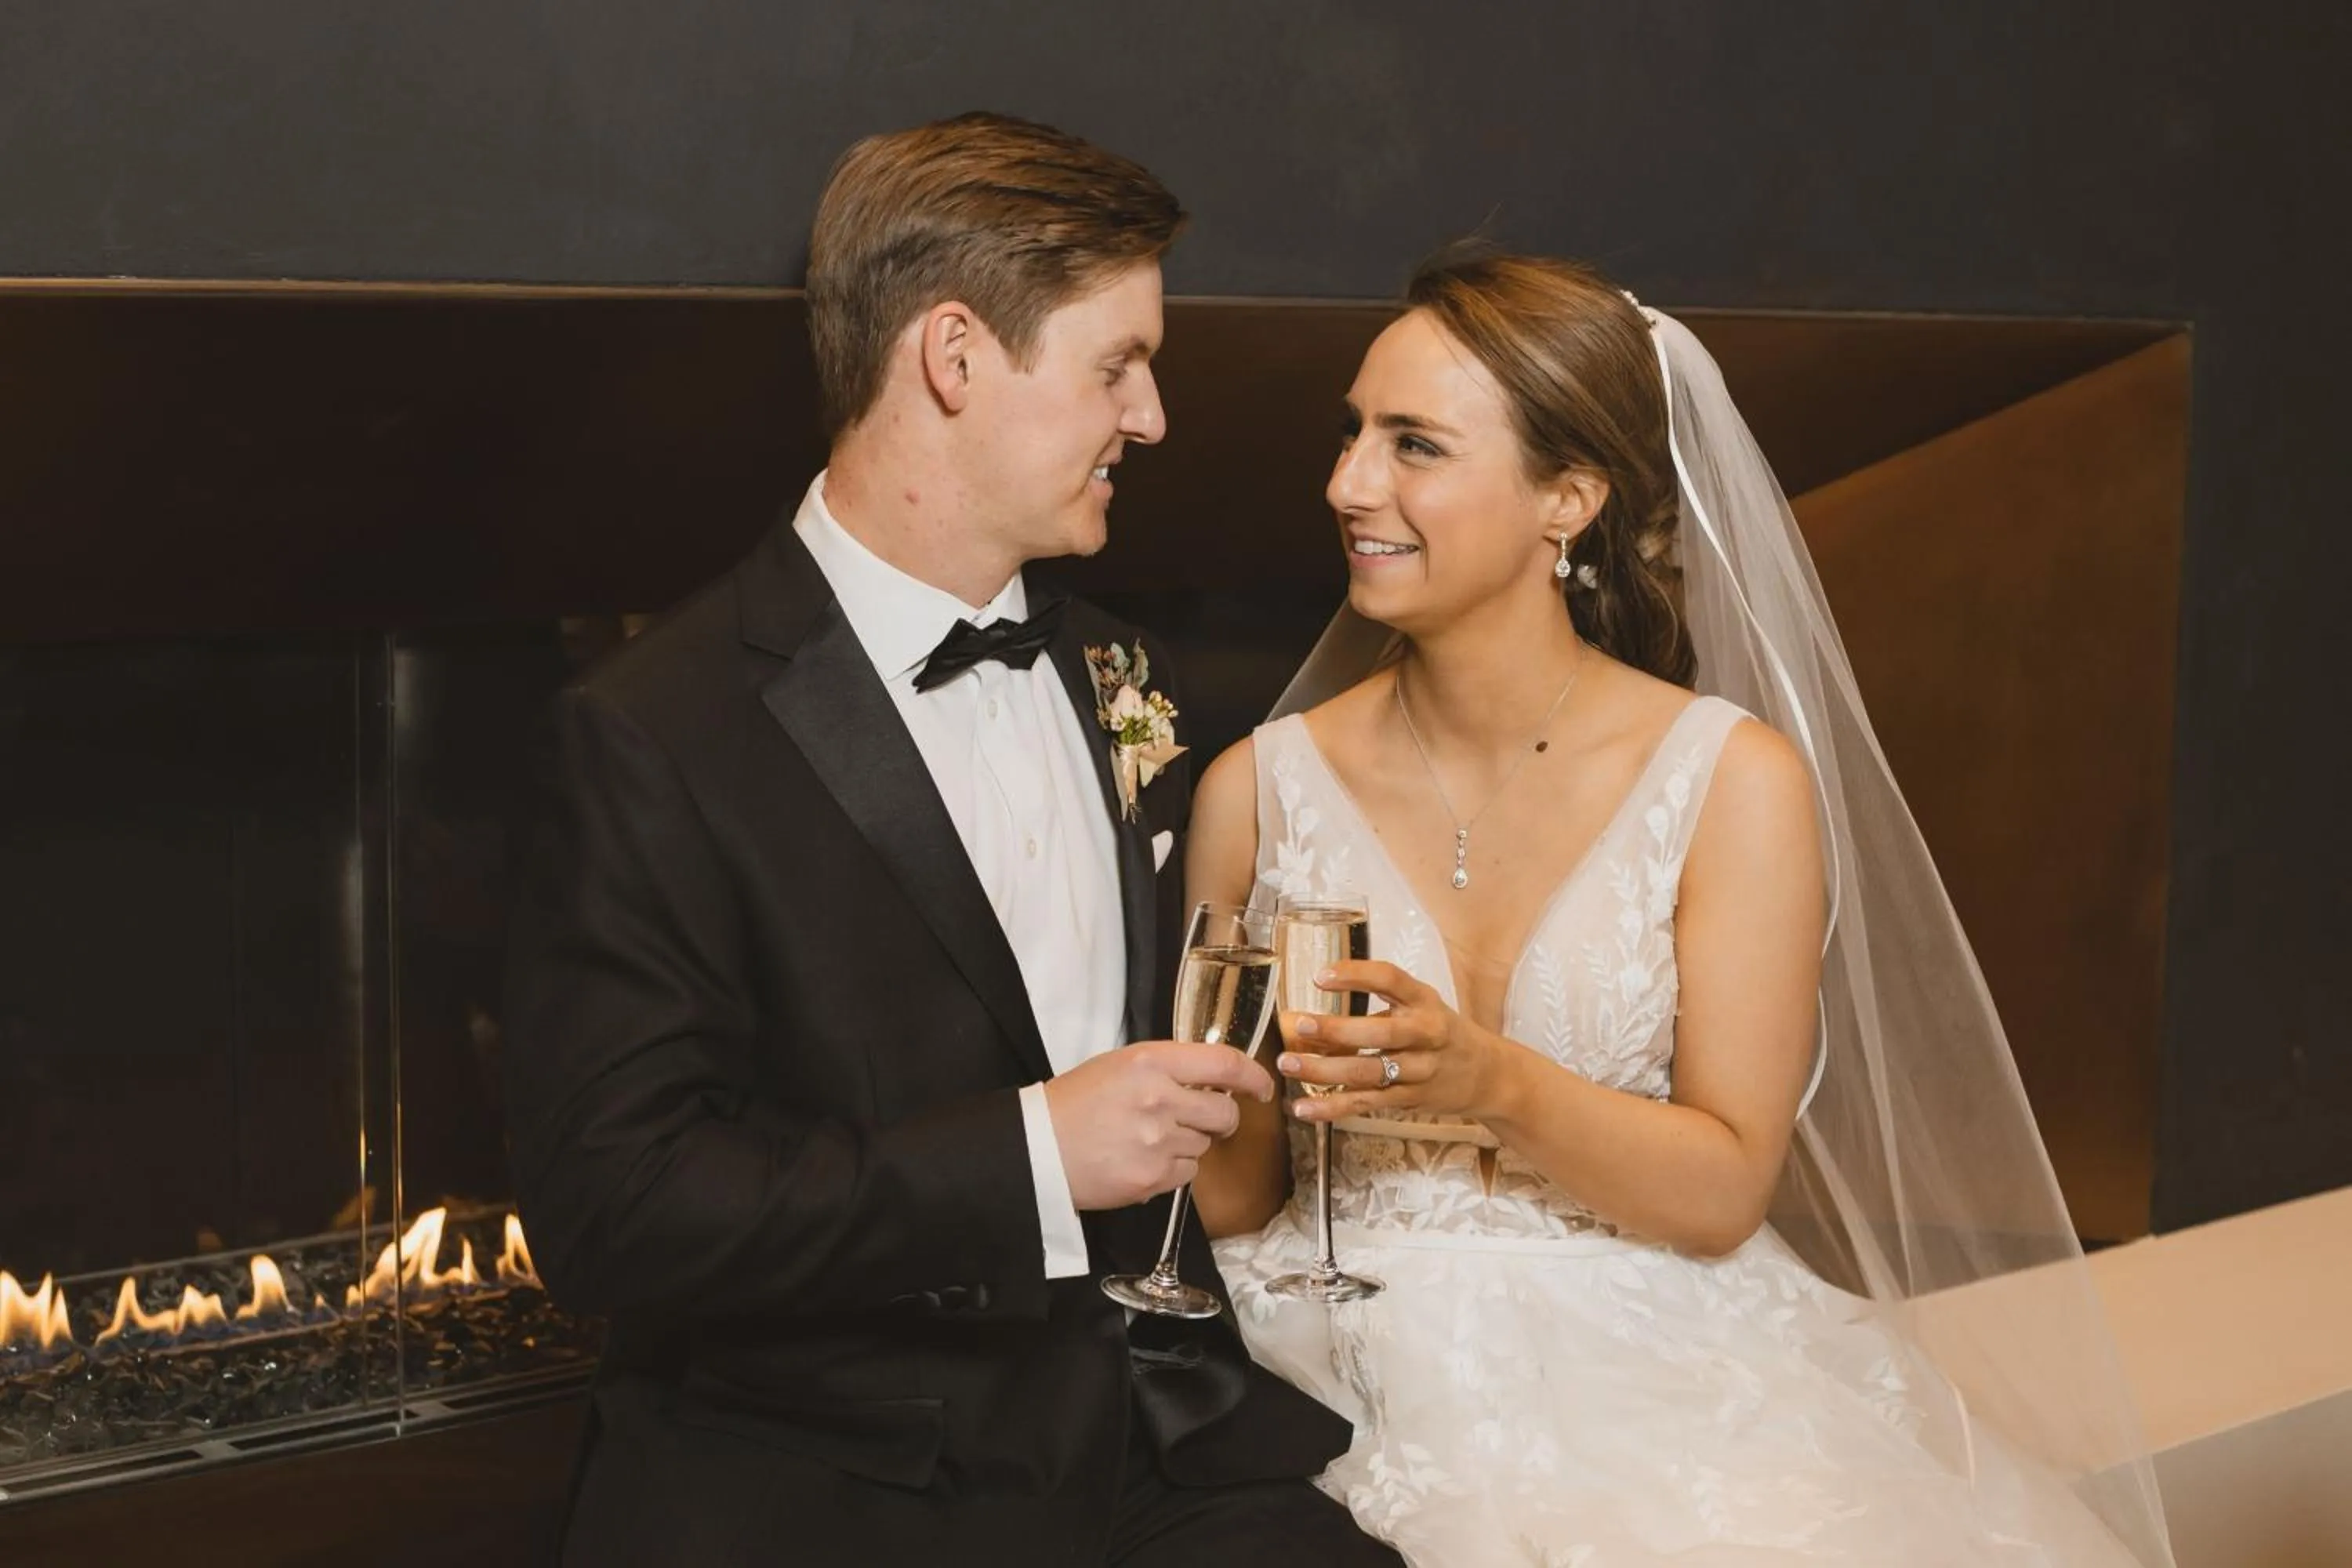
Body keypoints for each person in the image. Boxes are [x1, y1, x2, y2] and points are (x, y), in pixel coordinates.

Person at [502, 112, 1399, 1567]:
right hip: (840, 1485)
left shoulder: (1124, 674)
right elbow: (619, 1214)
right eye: (1119, 364)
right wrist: (1037, 1154)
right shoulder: (652, 732)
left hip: (1153, 1443)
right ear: (957, 356)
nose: (1155, 417)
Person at [1190, 249, 2177, 1564]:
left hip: (1654, 1358)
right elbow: (1236, 1202)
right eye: (1353, 434)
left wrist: (1489, 1079)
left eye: (1412, 444)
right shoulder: (1257, 786)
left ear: (1568, 500)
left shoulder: (1730, 783)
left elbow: (1722, 1187)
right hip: (1323, 1351)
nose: (1349, 484)